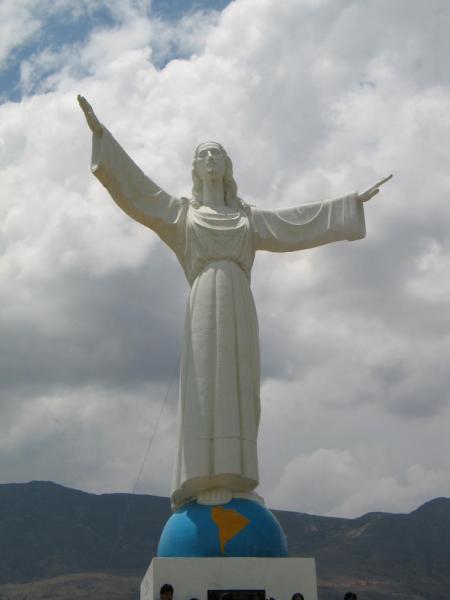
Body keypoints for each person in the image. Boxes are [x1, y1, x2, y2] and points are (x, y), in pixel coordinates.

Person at [78, 95, 392, 511]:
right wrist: (103, 137)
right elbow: (137, 191)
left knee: (239, 387)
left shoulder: (247, 216)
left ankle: (238, 475)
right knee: (206, 386)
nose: (210, 160)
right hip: (204, 300)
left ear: (226, 167)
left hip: (240, 304)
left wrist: (349, 204)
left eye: (216, 155)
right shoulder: (181, 214)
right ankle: (202, 475)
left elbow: (296, 223)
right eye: (203, 155)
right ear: (195, 168)